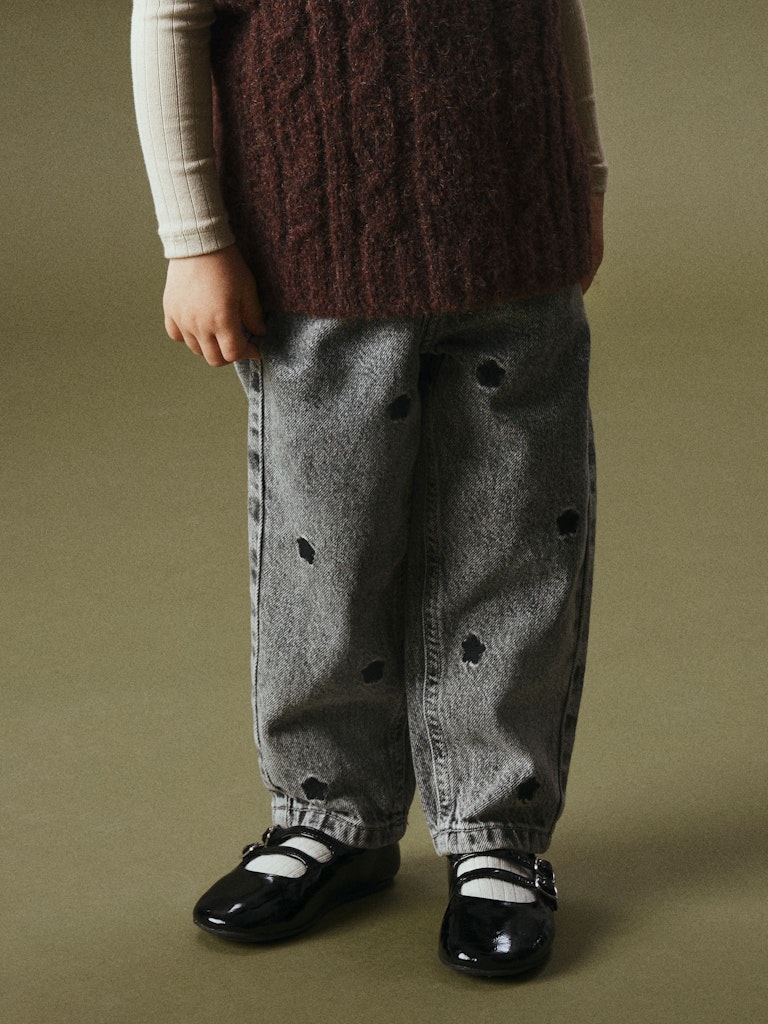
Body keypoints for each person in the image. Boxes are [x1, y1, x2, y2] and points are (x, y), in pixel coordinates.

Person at [131, 0, 607, 976]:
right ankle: (330, 815)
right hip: (318, 260)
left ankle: (497, 834)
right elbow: (170, 19)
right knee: (328, 552)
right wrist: (194, 238)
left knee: (517, 548)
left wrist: (585, 174)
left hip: (518, 246)